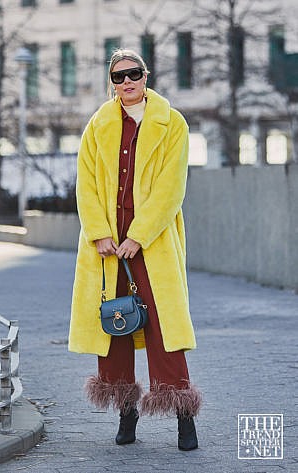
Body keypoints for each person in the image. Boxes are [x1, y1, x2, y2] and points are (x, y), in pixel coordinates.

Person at [69, 48, 202, 450]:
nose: (126, 82)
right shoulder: (98, 125)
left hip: (153, 240)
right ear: (111, 82)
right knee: (116, 327)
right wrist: (99, 232)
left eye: (133, 74)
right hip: (107, 246)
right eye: (118, 76)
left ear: (146, 76)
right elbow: (86, 183)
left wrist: (138, 235)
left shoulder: (171, 123)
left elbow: (170, 189)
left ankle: (185, 420)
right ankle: (127, 416)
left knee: (165, 330)